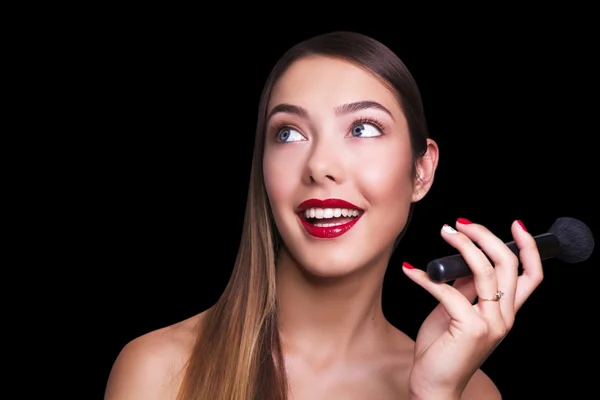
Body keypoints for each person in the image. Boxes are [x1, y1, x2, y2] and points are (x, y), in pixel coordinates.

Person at [104, 31, 543, 399]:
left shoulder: (470, 393)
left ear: (421, 171)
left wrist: (434, 394)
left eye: (363, 128)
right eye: (289, 133)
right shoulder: (158, 371)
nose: (319, 166)